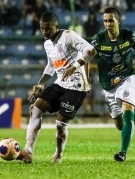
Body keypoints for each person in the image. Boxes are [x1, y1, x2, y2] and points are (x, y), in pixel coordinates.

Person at [62, 7, 135, 162]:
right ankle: (129, 129)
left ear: (118, 21)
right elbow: (87, 56)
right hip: (108, 86)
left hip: (127, 79)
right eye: (105, 21)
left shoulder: (129, 36)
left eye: (111, 20)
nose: (108, 24)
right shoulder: (99, 39)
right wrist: (86, 78)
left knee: (128, 113)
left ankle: (122, 153)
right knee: (120, 125)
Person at [16, 12, 97, 163]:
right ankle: (28, 151)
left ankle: (58, 154)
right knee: (35, 108)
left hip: (77, 86)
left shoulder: (69, 36)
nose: (45, 32)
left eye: (48, 29)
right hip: (60, 83)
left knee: (60, 124)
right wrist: (41, 83)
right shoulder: (47, 44)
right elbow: (51, 66)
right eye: (42, 28)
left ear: (57, 27)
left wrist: (74, 67)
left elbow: (91, 50)